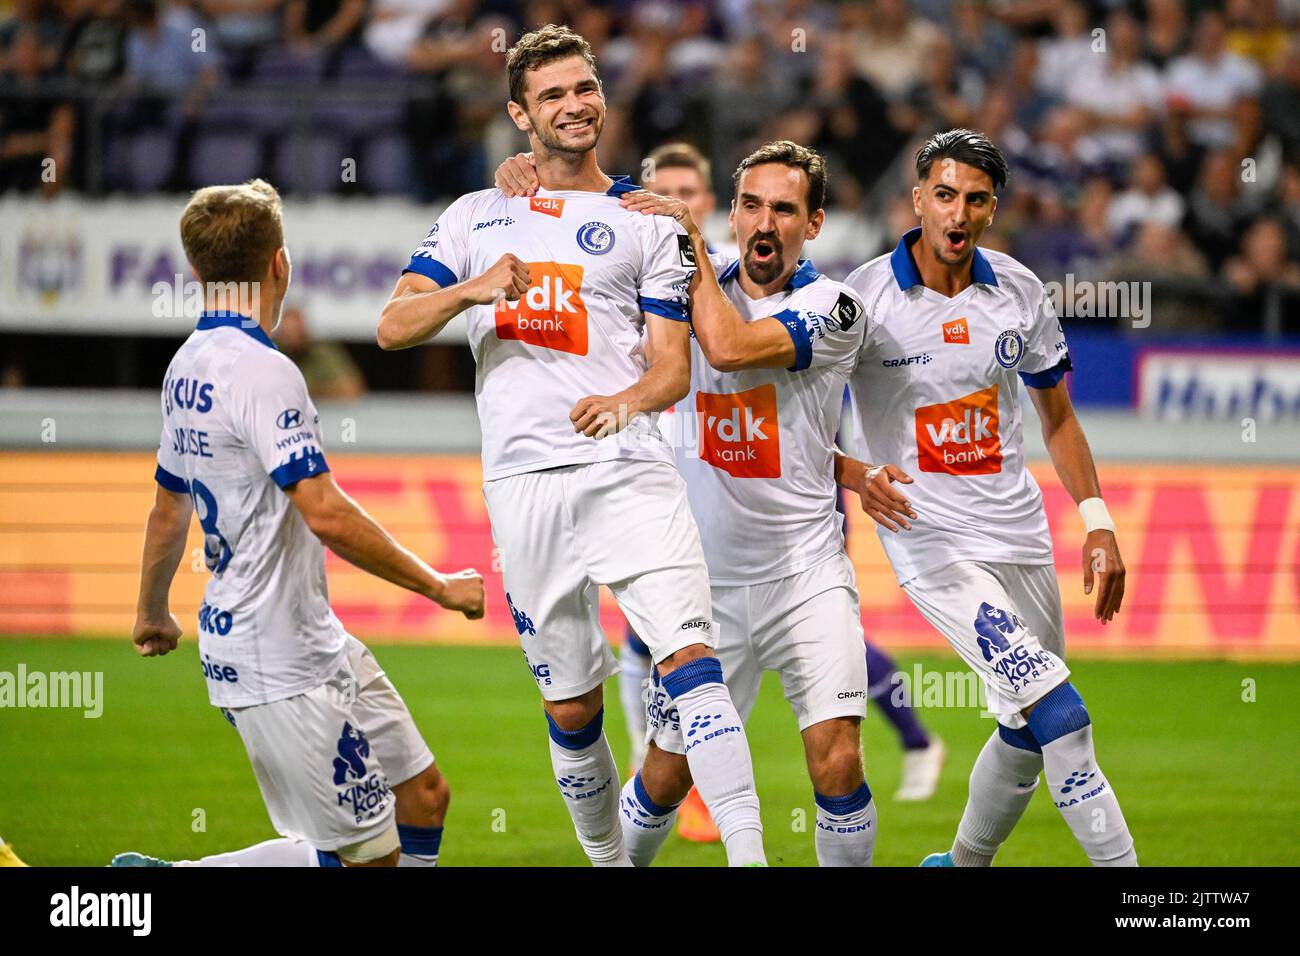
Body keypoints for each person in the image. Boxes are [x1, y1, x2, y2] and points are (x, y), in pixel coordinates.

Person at [376, 25, 767, 868]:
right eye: (552, 95)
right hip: (524, 484)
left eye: (584, 88)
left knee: (696, 663)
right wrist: (473, 290)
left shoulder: (645, 221)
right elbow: (392, 324)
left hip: (629, 470)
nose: (574, 106)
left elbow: (671, 372)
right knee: (571, 713)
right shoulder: (476, 216)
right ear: (520, 115)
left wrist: (623, 403)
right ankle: (609, 862)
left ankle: (751, 859)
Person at [499, 140, 879, 866]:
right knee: (666, 776)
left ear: (816, 223)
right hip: (704, 585)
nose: (766, 223)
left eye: (786, 210)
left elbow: (731, 347)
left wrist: (687, 241)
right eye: (753, 205)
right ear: (734, 212)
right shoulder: (678, 287)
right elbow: (585, 246)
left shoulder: (835, 307)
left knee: (837, 760)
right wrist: (524, 179)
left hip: (806, 577)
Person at [116, 179, 484, 868]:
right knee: (363, 857)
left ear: (197, 273)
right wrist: (438, 587)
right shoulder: (267, 372)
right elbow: (325, 513)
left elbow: (169, 505)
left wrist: (151, 611)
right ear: (280, 264)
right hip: (273, 655)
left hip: (311, 637)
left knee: (424, 796)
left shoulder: (184, 367)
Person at [838, 129, 1137, 866]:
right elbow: (797, 416)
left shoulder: (1021, 291)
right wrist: (855, 475)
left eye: (974, 199)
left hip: (1021, 533)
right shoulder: (862, 301)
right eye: (944, 195)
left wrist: (1096, 523)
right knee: (1062, 714)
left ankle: (961, 866)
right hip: (930, 541)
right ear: (917, 200)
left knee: (1028, 731)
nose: (957, 213)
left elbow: (1058, 418)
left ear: (992, 208)